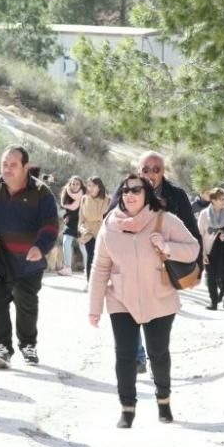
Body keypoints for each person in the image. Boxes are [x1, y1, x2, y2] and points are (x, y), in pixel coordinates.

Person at [89, 173, 200, 428]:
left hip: (159, 298)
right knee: (125, 355)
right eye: (125, 190)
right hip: (120, 299)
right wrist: (94, 308)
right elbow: (99, 268)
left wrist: (167, 246)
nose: (129, 194)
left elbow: (193, 248)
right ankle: (127, 409)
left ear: (146, 194)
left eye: (136, 190)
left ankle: (163, 400)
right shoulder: (110, 225)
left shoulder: (165, 220)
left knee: (158, 353)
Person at [108, 151, 203, 370]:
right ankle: (138, 356)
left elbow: (192, 232)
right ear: (138, 171)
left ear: (163, 172)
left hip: (162, 268)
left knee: (157, 314)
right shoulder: (125, 190)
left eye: (156, 170)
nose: (151, 174)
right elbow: (109, 221)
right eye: (145, 169)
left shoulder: (176, 195)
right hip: (131, 265)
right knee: (130, 310)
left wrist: (197, 268)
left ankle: (154, 358)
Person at [0, 146, 59, 368]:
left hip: (28, 262)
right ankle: (2, 347)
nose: (7, 169)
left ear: (25, 167)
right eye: (4, 164)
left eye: (13, 165)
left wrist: (41, 247)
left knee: (26, 302)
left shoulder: (41, 192)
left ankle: (28, 345)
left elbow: (50, 225)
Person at [78, 176, 109, 287]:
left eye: (93, 185)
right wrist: (82, 230)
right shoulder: (84, 198)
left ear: (99, 187)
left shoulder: (107, 199)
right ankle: (89, 282)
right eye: (89, 185)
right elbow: (81, 218)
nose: (90, 188)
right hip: (88, 232)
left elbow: (103, 217)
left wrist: (96, 219)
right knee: (91, 256)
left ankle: (101, 283)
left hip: (102, 232)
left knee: (101, 258)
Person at [58, 176, 87, 277]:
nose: (74, 186)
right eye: (72, 184)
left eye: (77, 184)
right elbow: (66, 210)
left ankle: (88, 269)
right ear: (69, 184)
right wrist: (65, 216)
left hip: (82, 224)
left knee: (83, 247)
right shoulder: (66, 194)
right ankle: (67, 268)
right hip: (70, 224)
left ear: (81, 185)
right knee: (66, 243)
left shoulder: (85, 195)